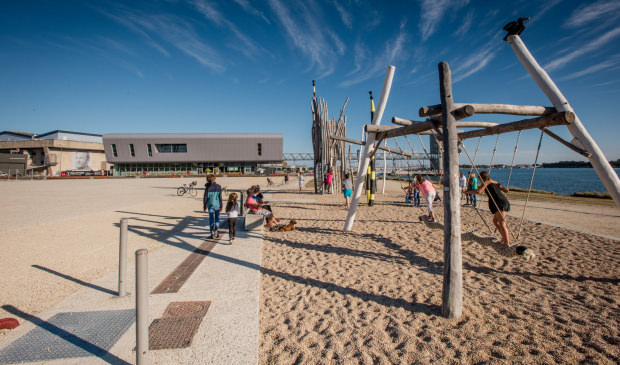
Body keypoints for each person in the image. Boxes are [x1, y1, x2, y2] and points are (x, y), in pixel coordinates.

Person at [467, 171, 511, 247]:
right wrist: (507, 189)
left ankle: (507, 242)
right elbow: (505, 190)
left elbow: (478, 191)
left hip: (499, 203)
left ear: (481, 178)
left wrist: (468, 192)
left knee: (502, 223)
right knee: (495, 221)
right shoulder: (495, 182)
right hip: (503, 201)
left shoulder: (486, 183)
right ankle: (503, 238)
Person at [203, 174, 223, 239]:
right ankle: (217, 226)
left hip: (210, 205)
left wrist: (204, 205)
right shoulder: (219, 187)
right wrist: (221, 206)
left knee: (211, 219)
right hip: (217, 204)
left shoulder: (207, 188)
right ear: (214, 179)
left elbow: (205, 198)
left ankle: (212, 233)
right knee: (217, 217)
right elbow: (220, 197)